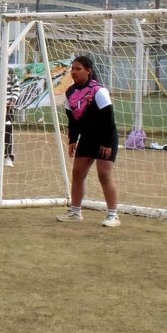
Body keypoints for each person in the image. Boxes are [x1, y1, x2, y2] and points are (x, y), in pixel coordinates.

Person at [57, 55, 121, 227]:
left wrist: (107, 143)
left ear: (88, 71)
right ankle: (75, 212)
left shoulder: (98, 91)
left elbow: (109, 118)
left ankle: (112, 215)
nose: (74, 72)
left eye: (78, 68)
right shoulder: (70, 92)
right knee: (77, 173)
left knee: (104, 174)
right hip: (87, 138)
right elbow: (72, 120)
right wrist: (72, 141)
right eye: (72, 68)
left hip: (105, 137)